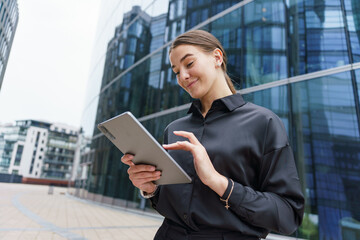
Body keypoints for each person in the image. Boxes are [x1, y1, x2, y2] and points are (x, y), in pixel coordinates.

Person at [121, 29, 304, 240]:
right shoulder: (173, 129)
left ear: (217, 57)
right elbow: (173, 204)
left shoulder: (264, 123)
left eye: (188, 64)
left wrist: (218, 182)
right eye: (176, 71)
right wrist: (150, 188)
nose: (183, 76)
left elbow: (288, 215)